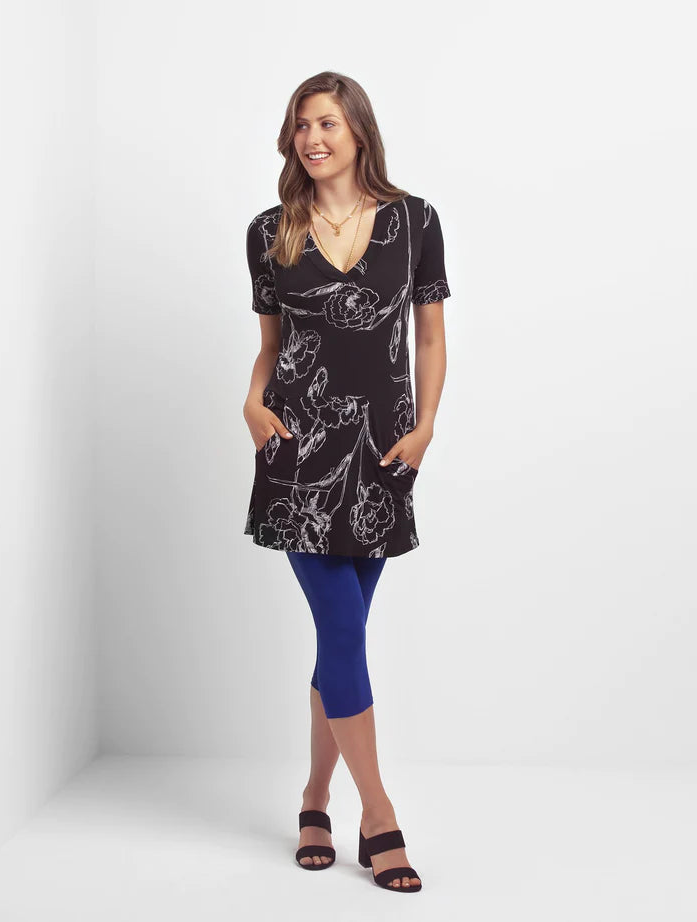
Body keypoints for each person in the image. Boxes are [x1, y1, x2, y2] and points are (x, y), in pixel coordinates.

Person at [242, 71, 451, 893]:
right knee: (342, 632)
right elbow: (270, 348)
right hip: (296, 453)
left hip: (384, 457)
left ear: (358, 129)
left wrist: (425, 426)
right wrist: (251, 403)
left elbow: (428, 336)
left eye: (326, 122)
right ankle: (379, 813)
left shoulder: (415, 221)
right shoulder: (271, 231)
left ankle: (312, 799)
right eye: (301, 125)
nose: (312, 138)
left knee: (342, 640)